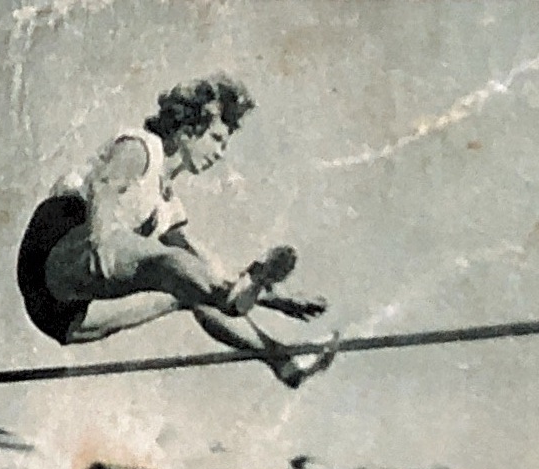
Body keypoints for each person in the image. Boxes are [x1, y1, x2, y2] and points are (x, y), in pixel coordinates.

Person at [17, 74, 338, 388]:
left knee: (186, 287)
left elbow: (202, 266)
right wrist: (100, 240)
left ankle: (282, 362)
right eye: (216, 139)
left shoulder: (168, 204)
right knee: (159, 257)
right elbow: (104, 186)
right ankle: (237, 299)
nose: (221, 153)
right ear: (188, 129)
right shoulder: (143, 147)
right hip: (53, 255)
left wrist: (275, 299)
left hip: (66, 318)